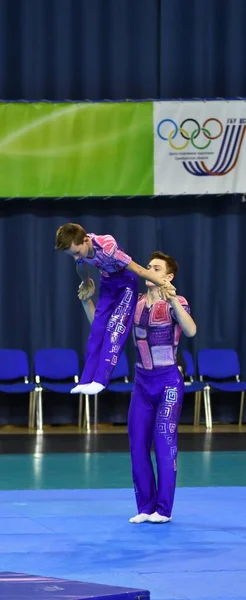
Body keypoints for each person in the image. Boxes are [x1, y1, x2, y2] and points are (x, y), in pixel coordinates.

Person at [77, 250, 197, 524]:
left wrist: (174, 301)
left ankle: (164, 509)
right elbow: (108, 329)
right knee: (137, 445)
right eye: (148, 266)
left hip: (168, 383)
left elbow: (190, 330)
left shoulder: (176, 303)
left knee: (164, 444)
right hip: (142, 384)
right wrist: (87, 303)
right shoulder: (135, 303)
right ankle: (145, 506)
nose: (149, 270)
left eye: (156, 268)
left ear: (168, 276)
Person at [55, 224, 170, 395]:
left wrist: (163, 284)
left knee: (114, 330)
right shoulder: (78, 248)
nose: (76, 256)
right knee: (97, 330)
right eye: (72, 254)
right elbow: (80, 266)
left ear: (86, 240)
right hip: (108, 284)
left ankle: (101, 379)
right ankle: (86, 379)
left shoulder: (108, 246)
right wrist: (86, 283)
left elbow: (138, 269)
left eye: (77, 252)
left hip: (126, 284)